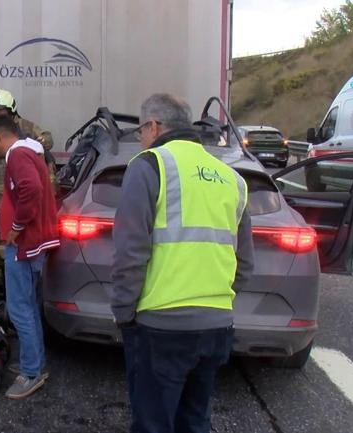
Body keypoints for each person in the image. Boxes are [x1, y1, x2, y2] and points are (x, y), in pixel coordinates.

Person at [111, 93, 254, 433]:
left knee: (152, 423)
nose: (141, 139)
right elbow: (244, 264)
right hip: (217, 327)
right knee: (195, 420)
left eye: (141, 131)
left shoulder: (149, 166)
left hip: (161, 327)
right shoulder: (231, 178)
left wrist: (122, 312)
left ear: (155, 126)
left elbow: (130, 254)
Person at [0, 115, 60, 400]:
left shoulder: (17, 155)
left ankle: (30, 373)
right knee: (27, 306)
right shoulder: (30, 152)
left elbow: (31, 190)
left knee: (20, 309)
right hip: (32, 243)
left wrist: (15, 228)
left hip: (24, 245)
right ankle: (35, 363)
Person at [0, 89, 54, 207]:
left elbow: (47, 137)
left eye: (0, 110)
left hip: (23, 185)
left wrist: (43, 141)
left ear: (10, 109)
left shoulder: (26, 127)